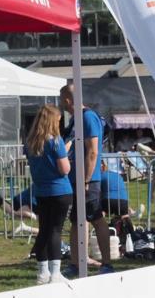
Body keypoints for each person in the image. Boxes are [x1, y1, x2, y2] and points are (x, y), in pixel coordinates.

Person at [59, 84, 113, 276]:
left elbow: (92, 151)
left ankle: (107, 263)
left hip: (88, 180)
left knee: (96, 218)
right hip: (76, 179)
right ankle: (75, 262)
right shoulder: (76, 119)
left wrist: (86, 179)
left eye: (61, 99)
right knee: (76, 221)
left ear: (67, 100)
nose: (61, 104)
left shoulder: (88, 117)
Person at [24, 105, 73, 284]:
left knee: (43, 230)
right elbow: (64, 169)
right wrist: (67, 155)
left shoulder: (30, 143)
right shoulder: (56, 141)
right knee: (55, 231)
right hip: (60, 190)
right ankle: (55, 273)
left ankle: (42, 272)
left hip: (41, 191)